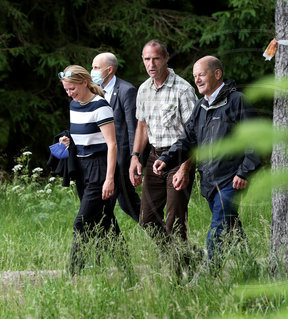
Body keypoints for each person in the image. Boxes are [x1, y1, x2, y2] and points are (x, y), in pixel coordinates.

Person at [152, 56, 261, 262]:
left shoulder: (237, 101)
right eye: (195, 76)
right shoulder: (201, 106)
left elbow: (255, 139)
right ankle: (249, 267)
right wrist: (166, 159)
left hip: (231, 181)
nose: (197, 80)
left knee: (217, 231)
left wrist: (245, 171)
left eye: (201, 75)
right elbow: (187, 140)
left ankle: (207, 278)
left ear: (217, 74)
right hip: (210, 182)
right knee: (232, 228)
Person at [58, 65, 128, 276]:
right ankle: (128, 273)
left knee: (81, 223)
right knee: (106, 222)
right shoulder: (74, 105)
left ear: (85, 83)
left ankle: (73, 274)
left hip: (100, 168)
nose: (70, 93)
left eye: (73, 89)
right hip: (82, 168)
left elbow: (112, 145)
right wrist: (67, 141)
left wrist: (109, 180)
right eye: (67, 90)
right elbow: (84, 136)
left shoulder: (101, 106)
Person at [129, 40, 197, 250]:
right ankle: (189, 257)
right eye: (147, 59)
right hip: (154, 157)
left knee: (175, 221)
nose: (151, 64)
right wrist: (135, 157)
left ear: (166, 58)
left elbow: (195, 133)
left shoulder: (183, 89)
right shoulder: (144, 89)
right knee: (147, 220)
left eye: (156, 58)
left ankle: (180, 276)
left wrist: (186, 167)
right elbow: (142, 126)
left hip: (179, 157)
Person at [91, 52, 141, 223]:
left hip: (121, 160)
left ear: (109, 69)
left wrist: (134, 157)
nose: (92, 71)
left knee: (125, 204)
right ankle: (164, 238)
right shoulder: (94, 92)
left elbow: (133, 128)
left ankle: (165, 239)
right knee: (123, 205)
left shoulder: (126, 90)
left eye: (96, 67)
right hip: (102, 158)